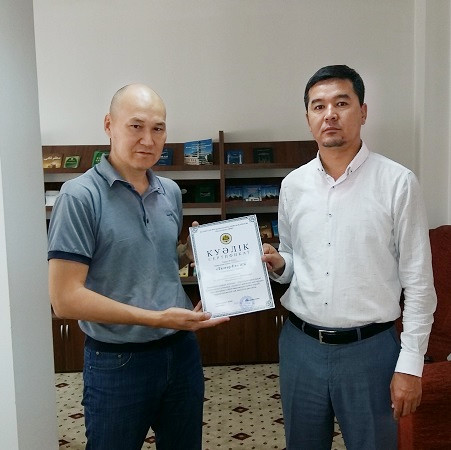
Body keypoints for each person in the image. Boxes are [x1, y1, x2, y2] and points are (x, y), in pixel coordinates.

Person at [262, 65, 437, 450]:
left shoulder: (397, 182)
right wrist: (280, 264)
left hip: (370, 352)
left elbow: (419, 283)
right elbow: (295, 259)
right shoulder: (293, 185)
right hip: (301, 347)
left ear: (363, 111)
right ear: (308, 118)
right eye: (318, 106)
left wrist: (411, 364)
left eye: (341, 103)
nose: (330, 114)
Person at [48, 84, 229, 450]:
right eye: (136, 126)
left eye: (158, 128)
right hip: (117, 361)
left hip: (181, 352)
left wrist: (190, 253)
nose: (148, 139)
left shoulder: (170, 191)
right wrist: (158, 319)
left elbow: (155, 260)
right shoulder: (79, 196)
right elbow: (65, 299)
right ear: (109, 125)